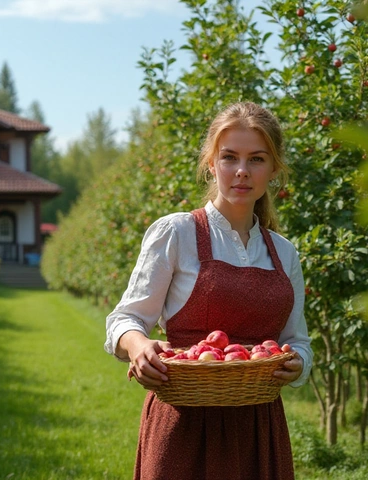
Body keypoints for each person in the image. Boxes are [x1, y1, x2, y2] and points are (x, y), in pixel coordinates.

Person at [104, 102, 313, 480]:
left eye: (257, 159)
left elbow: (297, 340)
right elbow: (125, 319)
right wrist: (139, 348)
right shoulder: (177, 233)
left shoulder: (283, 252)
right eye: (230, 157)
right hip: (185, 426)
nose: (242, 171)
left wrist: (297, 363)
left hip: (258, 428)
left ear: (275, 169)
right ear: (211, 163)